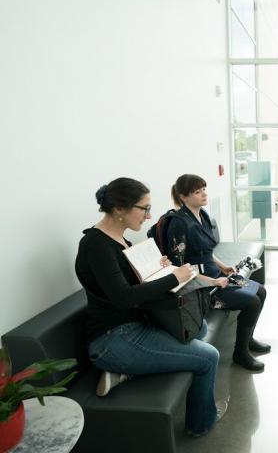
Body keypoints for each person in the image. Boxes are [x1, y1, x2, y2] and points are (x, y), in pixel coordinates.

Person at [75, 178, 226, 438]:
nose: (149, 216)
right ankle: (202, 422)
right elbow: (123, 297)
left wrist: (158, 267)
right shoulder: (96, 245)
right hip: (113, 339)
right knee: (208, 356)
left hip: (133, 325)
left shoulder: (121, 241)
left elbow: (133, 286)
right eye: (144, 209)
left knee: (198, 328)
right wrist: (172, 277)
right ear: (120, 209)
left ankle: (123, 372)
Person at [165, 174, 270, 372]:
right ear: (183, 197)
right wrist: (213, 282)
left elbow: (205, 251)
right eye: (197, 191)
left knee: (261, 291)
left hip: (216, 277)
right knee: (252, 301)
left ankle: (248, 339)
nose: (204, 194)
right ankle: (240, 353)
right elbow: (179, 268)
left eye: (204, 188)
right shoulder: (179, 224)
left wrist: (222, 266)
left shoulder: (202, 214)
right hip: (200, 288)